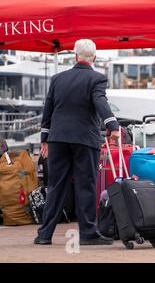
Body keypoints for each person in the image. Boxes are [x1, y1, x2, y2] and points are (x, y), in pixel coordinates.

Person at [34, 39, 120, 246]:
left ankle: (44, 234)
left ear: (75, 56)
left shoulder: (57, 79)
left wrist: (44, 138)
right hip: (84, 139)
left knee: (56, 185)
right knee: (86, 185)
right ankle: (88, 232)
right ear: (94, 58)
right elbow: (100, 101)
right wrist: (113, 125)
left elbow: (48, 110)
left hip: (58, 138)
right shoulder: (96, 79)